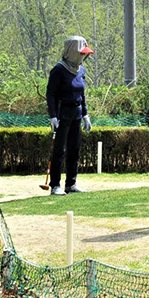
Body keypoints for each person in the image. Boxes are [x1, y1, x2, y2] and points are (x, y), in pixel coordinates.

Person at [46, 35, 94, 196]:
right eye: (82, 53)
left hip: (77, 114)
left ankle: (71, 184)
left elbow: (82, 94)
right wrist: (53, 115)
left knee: (74, 149)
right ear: (73, 52)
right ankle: (55, 185)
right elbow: (51, 94)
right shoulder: (59, 70)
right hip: (62, 114)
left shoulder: (81, 70)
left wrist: (85, 114)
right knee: (60, 150)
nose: (84, 56)